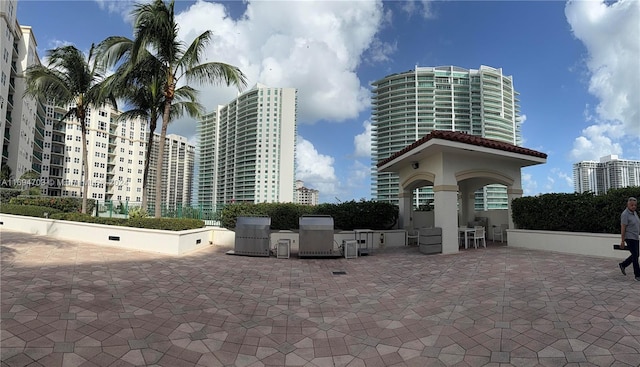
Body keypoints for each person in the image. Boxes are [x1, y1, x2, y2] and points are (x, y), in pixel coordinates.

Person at [619, 197, 640, 281]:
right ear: (628, 204)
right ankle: (637, 275)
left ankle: (623, 265)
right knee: (635, 256)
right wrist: (623, 240)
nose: (633, 206)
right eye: (632, 205)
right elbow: (623, 228)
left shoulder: (634, 213)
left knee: (636, 255)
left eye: (635, 205)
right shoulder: (625, 214)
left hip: (635, 237)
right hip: (629, 237)